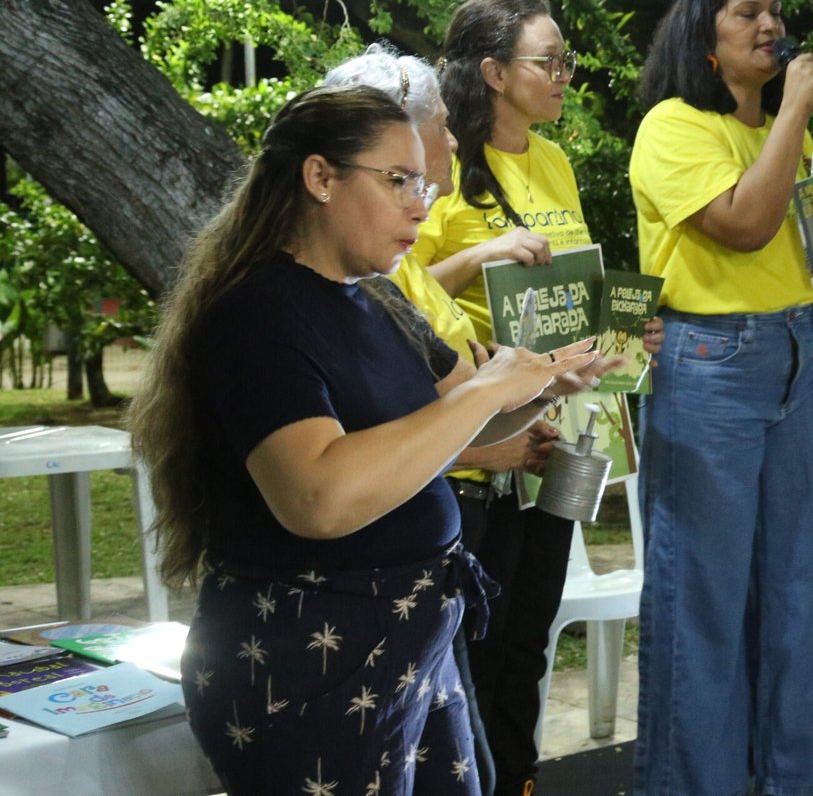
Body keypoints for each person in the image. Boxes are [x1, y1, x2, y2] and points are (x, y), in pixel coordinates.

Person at [128, 84, 598, 795]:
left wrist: (535, 389)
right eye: (399, 180)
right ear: (320, 177)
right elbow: (318, 498)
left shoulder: (377, 294)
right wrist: (487, 389)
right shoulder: (256, 314)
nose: (421, 205)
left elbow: (439, 429)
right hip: (310, 663)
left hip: (409, 649)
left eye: (424, 184)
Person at [411, 0, 659, 796]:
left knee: (530, 633)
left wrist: (625, 332)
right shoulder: (441, 164)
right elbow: (398, 287)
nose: (563, 76)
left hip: (565, 430)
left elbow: (570, 288)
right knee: (475, 645)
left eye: (566, 60)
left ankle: (518, 778)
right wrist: (481, 257)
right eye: (547, 61)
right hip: (481, 446)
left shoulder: (552, 159)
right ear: (492, 72)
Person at [628, 0, 813, 796]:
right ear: (703, 36)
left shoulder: (792, 133)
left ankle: (792, 779)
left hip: (797, 354)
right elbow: (745, 224)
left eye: (775, 11)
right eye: (748, 12)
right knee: (704, 594)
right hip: (710, 365)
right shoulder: (673, 126)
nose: (771, 25)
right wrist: (793, 110)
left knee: (800, 590)